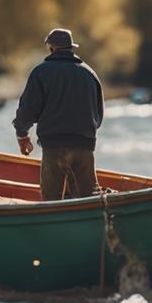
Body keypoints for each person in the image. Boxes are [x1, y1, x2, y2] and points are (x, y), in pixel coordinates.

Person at [13, 28, 104, 201]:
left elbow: (27, 110)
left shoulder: (40, 72)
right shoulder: (90, 74)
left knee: (51, 200)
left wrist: (22, 135)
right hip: (84, 145)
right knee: (88, 199)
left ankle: (54, 226)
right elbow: (98, 116)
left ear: (51, 48)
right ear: (71, 48)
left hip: (54, 146)